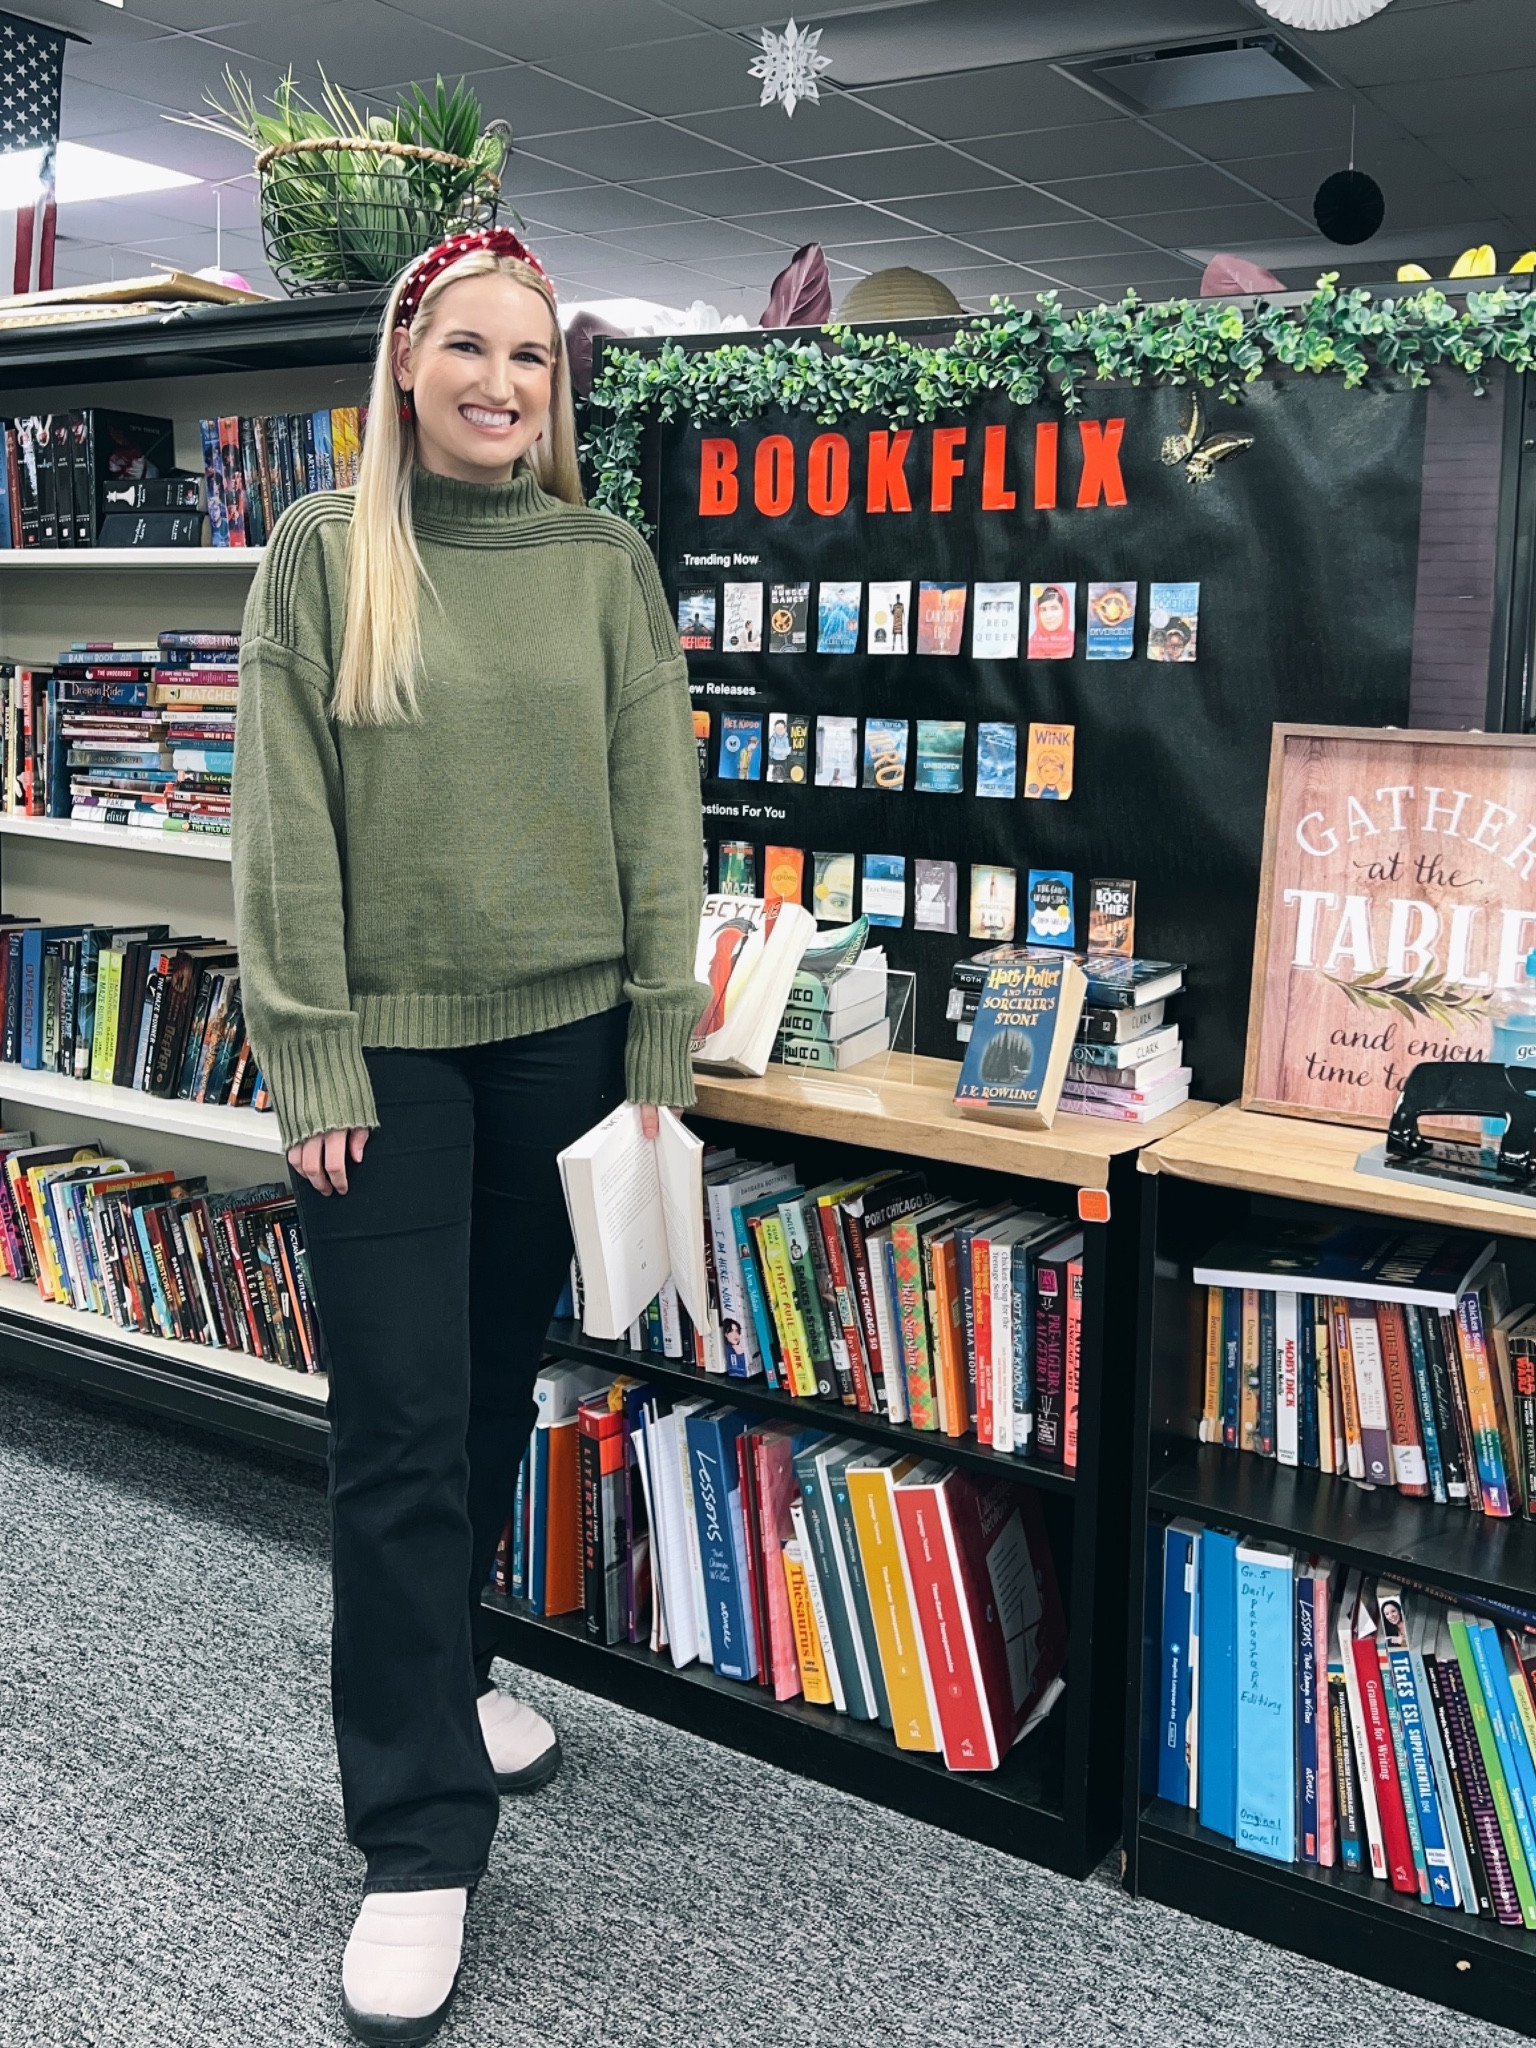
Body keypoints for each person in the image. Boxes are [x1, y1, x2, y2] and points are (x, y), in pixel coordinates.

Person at [231, 227, 705, 2045]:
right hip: (387, 1063)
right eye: (470, 349)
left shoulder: (602, 561)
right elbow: (281, 830)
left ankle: (463, 1667)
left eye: (535, 359)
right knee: (402, 1432)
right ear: (406, 362)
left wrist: (658, 1036)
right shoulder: (326, 556)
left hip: (569, 1042)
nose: (505, 383)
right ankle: (416, 1842)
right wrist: (314, 1058)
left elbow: (657, 808)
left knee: (498, 1384)